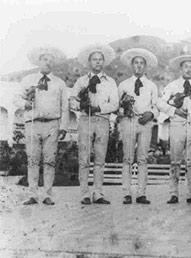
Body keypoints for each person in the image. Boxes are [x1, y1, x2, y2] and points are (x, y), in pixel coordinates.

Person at [13, 46, 68, 205]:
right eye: (45, 60)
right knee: (32, 159)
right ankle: (32, 194)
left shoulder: (59, 83)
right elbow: (16, 98)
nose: (48, 63)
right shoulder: (28, 80)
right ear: (39, 61)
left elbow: (64, 106)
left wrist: (63, 126)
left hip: (51, 124)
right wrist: (25, 104)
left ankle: (47, 195)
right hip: (32, 124)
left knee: (50, 160)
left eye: (51, 61)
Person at [69, 44, 119, 205]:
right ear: (89, 62)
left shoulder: (110, 82)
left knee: (100, 158)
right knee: (84, 158)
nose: (97, 62)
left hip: (102, 121)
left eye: (100, 60)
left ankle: (98, 193)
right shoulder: (81, 81)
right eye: (94, 60)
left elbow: (115, 104)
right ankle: (84, 193)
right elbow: (72, 101)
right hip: (85, 120)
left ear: (104, 62)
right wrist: (80, 105)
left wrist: (99, 108)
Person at [157, 54, 191, 204]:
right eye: (186, 66)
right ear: (181, 68)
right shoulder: (172, 86)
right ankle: (173, 193)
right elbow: (160, 103)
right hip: (177, 125)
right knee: (175, 161)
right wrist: (174, 111)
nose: (189, 70)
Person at [118, 48, 159, 205]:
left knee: (142, 158)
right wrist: (125, 110)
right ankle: (126, 193)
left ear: (145, 66)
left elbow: (156, 107)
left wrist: (151, 114)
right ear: (131, 65)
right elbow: (117, 108)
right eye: (136, 63)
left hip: (145, 123)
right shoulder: (123, 85)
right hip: (129, 122)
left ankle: (141, 193)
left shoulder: (151, 86)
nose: (139, 66)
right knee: (128, 158)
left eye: (142, 63)